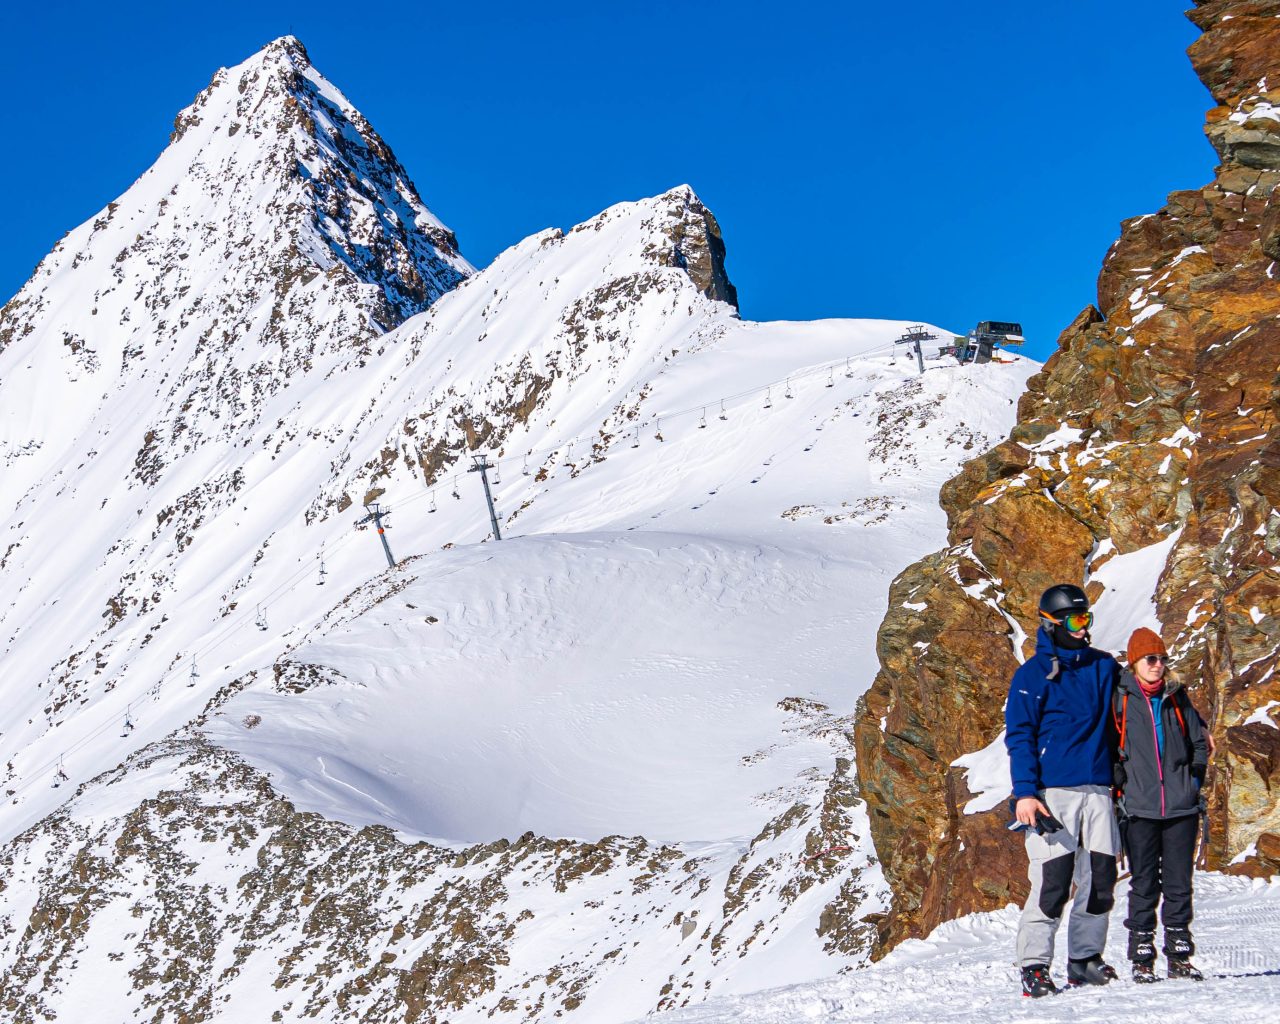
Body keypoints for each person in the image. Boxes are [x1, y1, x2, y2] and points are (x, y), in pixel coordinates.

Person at [1005, 583, 1121, 997]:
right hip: (1053, 793)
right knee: (1053, 882)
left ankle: (1084, 960)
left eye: (1086, 618)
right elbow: (1019, 736)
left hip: (1099, 790)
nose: (1082, 627)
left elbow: (1137, 706)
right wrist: (1025, 793)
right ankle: (1034, 965)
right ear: (1051, 624)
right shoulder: (1032, 675)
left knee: (1102, 879)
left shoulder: (1103, 667)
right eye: (1074, 620)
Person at [1113, 627, 1210, 982]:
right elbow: (1109, 743)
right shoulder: (1120, 698)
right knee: (1143, 882)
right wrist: (1119, 781)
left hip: (1181, 807)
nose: (1158, 665)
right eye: (1150, 659)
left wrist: (1194, 778)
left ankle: (1180, 954)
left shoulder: (1177, 696)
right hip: (1139, 808)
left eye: (1162, 659)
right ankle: (1141, 954)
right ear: (1135, 662)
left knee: (1179, 882)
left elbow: (1198, 741)